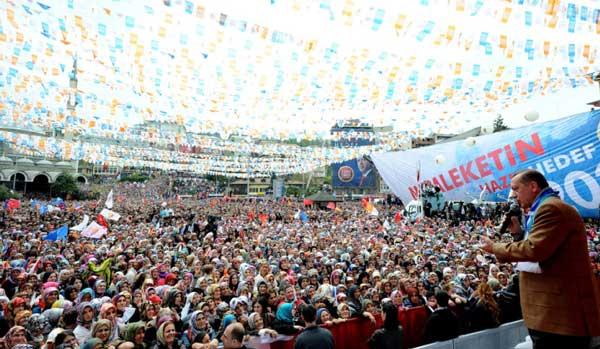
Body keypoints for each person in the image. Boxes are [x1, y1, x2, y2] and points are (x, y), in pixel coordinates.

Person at [482, 170, 600, 348]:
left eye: (515, 188)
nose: (512, 195)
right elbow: (542, 248)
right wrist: (518, 234)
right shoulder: (543, 208)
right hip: (551, 315)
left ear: (533, 186)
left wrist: (495, 248)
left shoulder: (550, 208)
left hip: (559, 316)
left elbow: (534, 249)